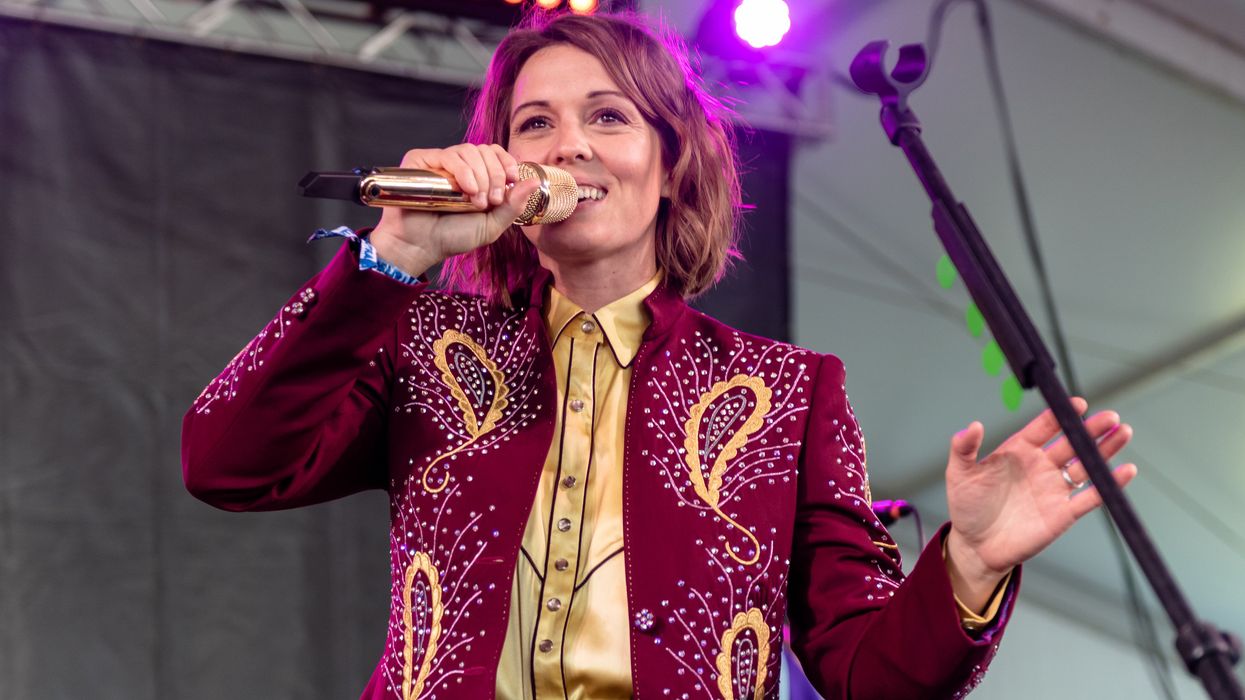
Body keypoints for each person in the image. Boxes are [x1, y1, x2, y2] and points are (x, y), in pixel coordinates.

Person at [181, 10, 1137, 700]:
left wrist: (965, 567)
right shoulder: (426, 346)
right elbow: (227, 462)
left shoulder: (788, 392)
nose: (570, 148)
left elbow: (863, 673)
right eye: (535, 124)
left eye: (607, 117)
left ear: (673, 157)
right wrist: (393, 256)